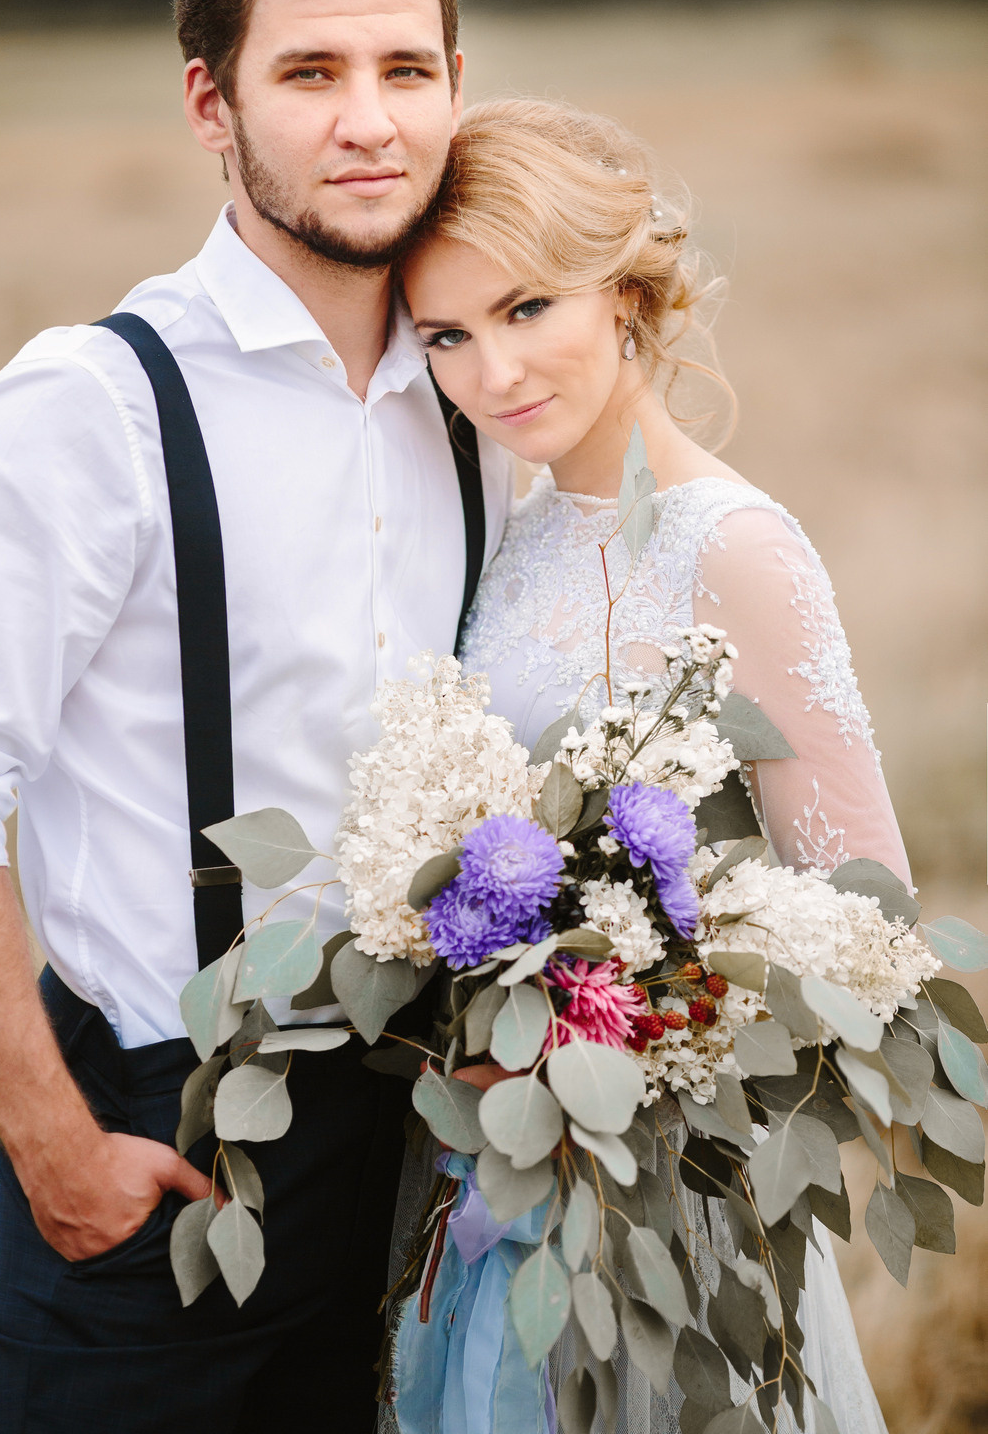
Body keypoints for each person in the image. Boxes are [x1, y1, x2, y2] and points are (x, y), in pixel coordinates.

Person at [0, 0, 512, 1434]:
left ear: (457, 85)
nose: (369, 121)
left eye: (406, 71)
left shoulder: (479, 396)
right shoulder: (86, 411)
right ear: (213, 101)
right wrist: (51, 1142)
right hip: (160, 1143)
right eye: (310, 75)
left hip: (442, 1142)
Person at [397, 97, 904, 1430]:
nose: (491, 374)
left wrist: (606, 1032)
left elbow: (866, 926)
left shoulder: (732, 548)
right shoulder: (506, 534)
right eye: (446, 334)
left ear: (623, 293)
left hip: (660, 1185)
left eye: (525, 310)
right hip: (483, 1160)